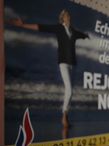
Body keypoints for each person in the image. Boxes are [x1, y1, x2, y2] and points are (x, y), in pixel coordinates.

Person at [9, 10, 89, 138]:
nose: (69, 17)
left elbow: (81, 35)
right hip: (63, 63)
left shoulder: (73, 31)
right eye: (67, 16)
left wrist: (86, 36)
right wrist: (22, 25)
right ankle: (64, 116)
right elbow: (41, 27)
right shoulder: (58, 28)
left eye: (69, 15)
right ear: (62, 18)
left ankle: (66, 116)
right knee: (69, 90)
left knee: (70, 90)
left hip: (72, 64)